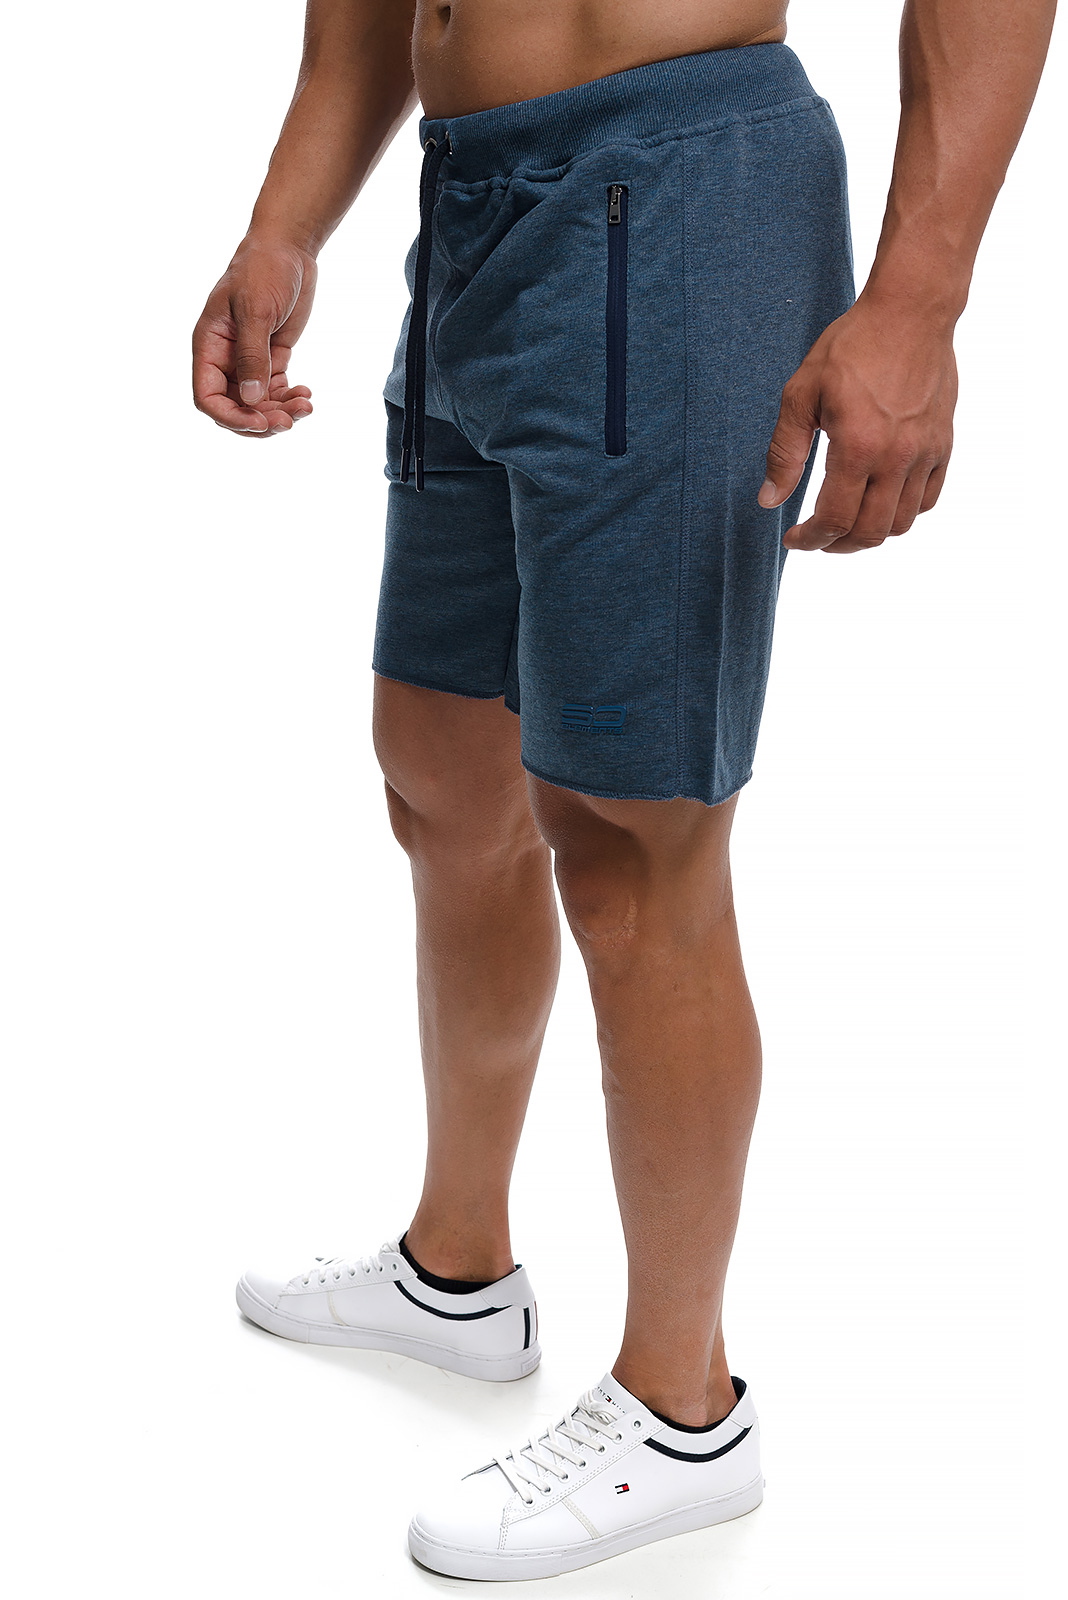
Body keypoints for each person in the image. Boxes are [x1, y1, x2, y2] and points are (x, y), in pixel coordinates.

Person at [193, 0, 1056, 1580]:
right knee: (440, 769)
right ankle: (459, 1274)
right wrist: (283, 225)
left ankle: (683, 1409)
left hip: (673, 189)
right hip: (475, 200)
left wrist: (917, 301)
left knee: (630, 839)